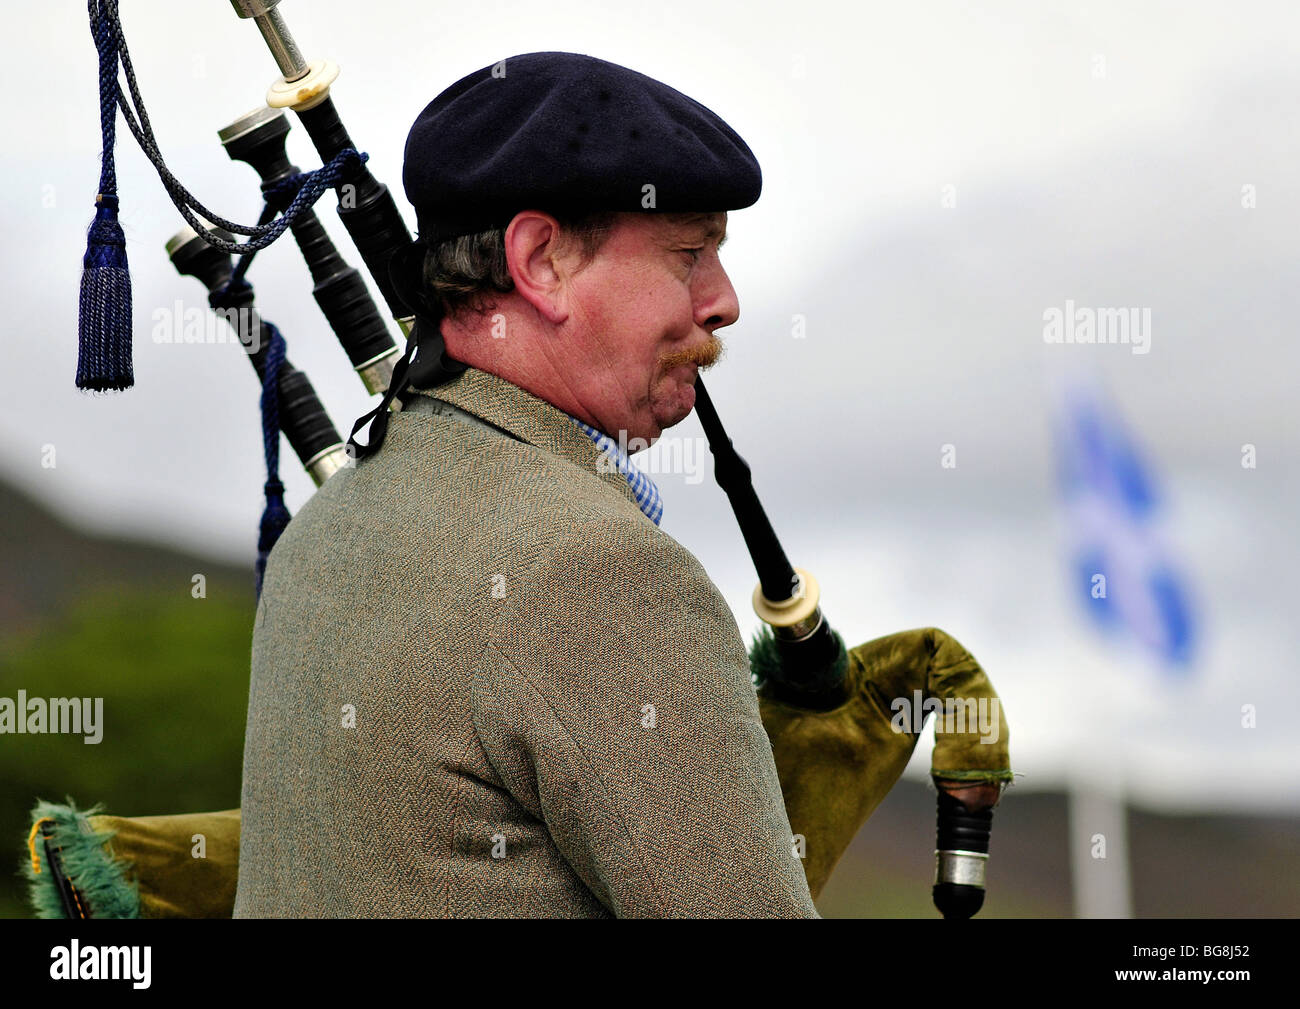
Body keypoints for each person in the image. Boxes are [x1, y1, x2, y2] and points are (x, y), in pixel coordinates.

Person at [234, 50, 822, 918]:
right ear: (540, 259)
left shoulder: (322, 535)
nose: (723, 299)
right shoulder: (604, 576)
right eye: (690, 252)